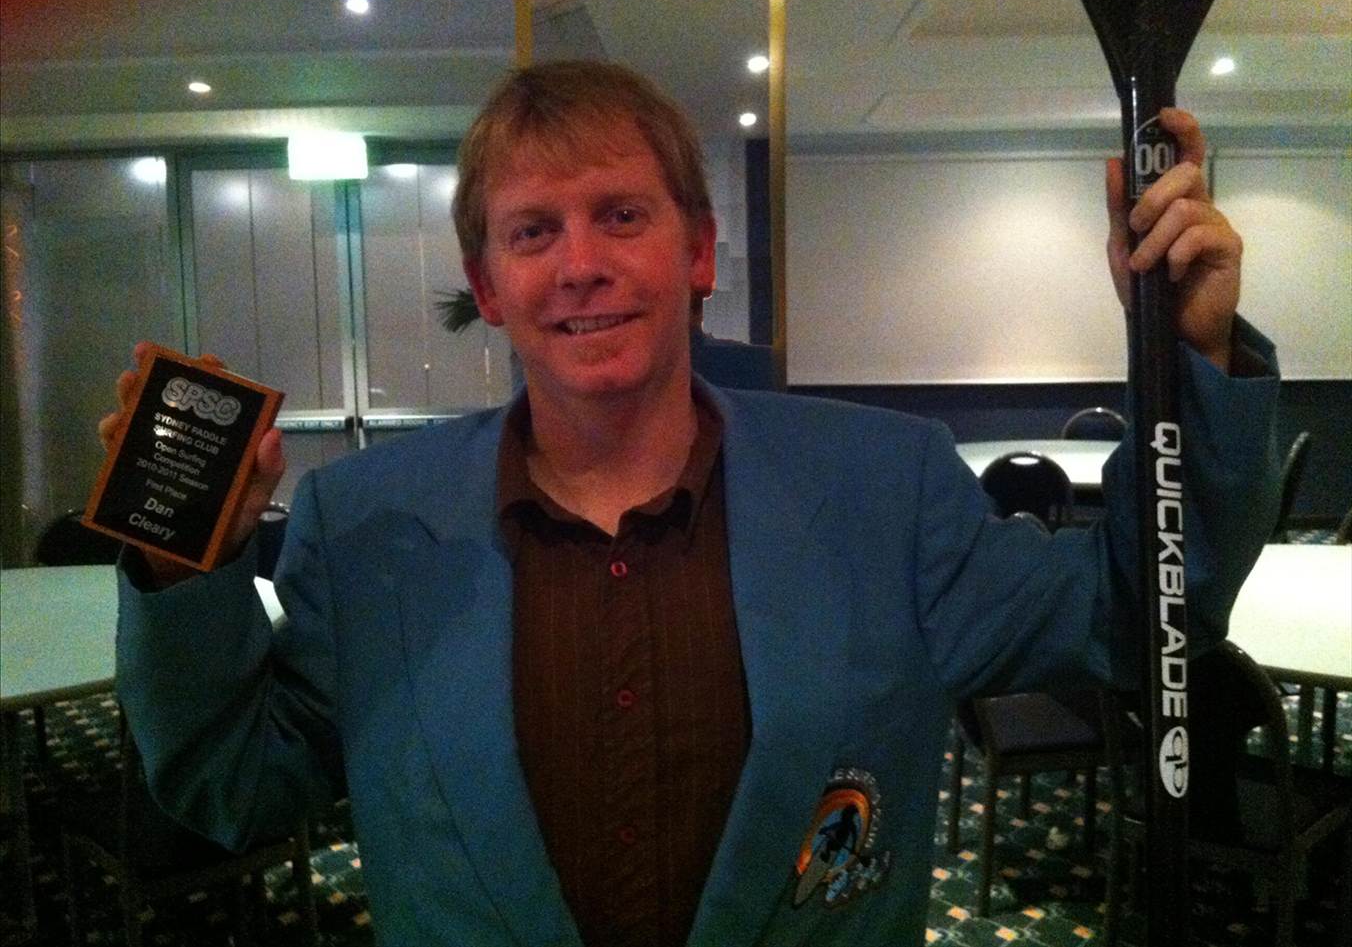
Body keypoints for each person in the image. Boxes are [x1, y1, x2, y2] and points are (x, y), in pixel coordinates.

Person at [103, 60, 1281, 947]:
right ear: (488, 285)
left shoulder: (885, 487)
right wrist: (176, 564)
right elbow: (232, 785)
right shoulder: (364, 526)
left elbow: (1143, 610)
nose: (580, 262)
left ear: (699, 252)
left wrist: (1191, 357)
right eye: (532, 231)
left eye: (621, 215)